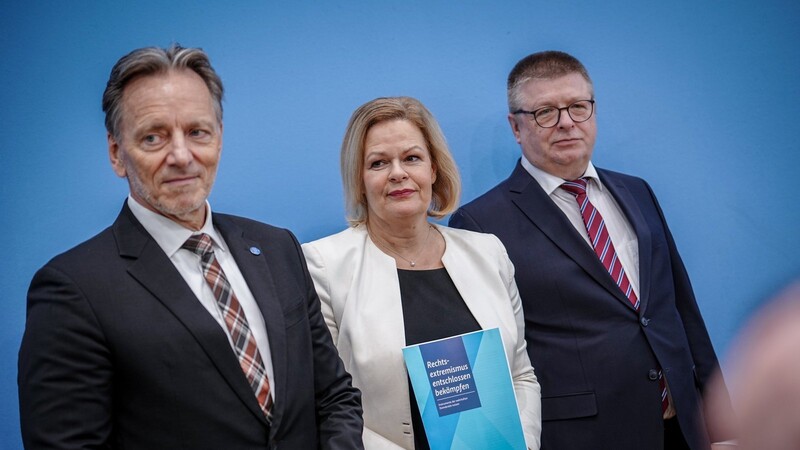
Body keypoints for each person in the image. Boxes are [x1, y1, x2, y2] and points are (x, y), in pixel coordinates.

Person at [18, 44, 363, 449]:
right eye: (153, 137)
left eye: (197, 132)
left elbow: (335, 395)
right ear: (116, 154)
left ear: (218, 138)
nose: (181, 156)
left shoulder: (277, 247)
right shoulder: (73, 290)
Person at [449, 51, 733, 449]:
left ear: (593, 111)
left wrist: (724, 426)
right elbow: (489, 363)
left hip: (682, 426)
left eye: (578, 107)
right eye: (545, 112)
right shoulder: (479, 225)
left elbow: (681, 311)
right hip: (584, 436)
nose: (566, 123)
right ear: (515, 126)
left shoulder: (637, 190)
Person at [302, 96, 541, 449]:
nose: (398, 173)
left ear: (433, 169)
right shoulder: (322, 265)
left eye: (412, 158)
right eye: (379, 162)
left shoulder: (488, 252)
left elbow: (521, 375)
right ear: (360, 179)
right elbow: (327, 403)